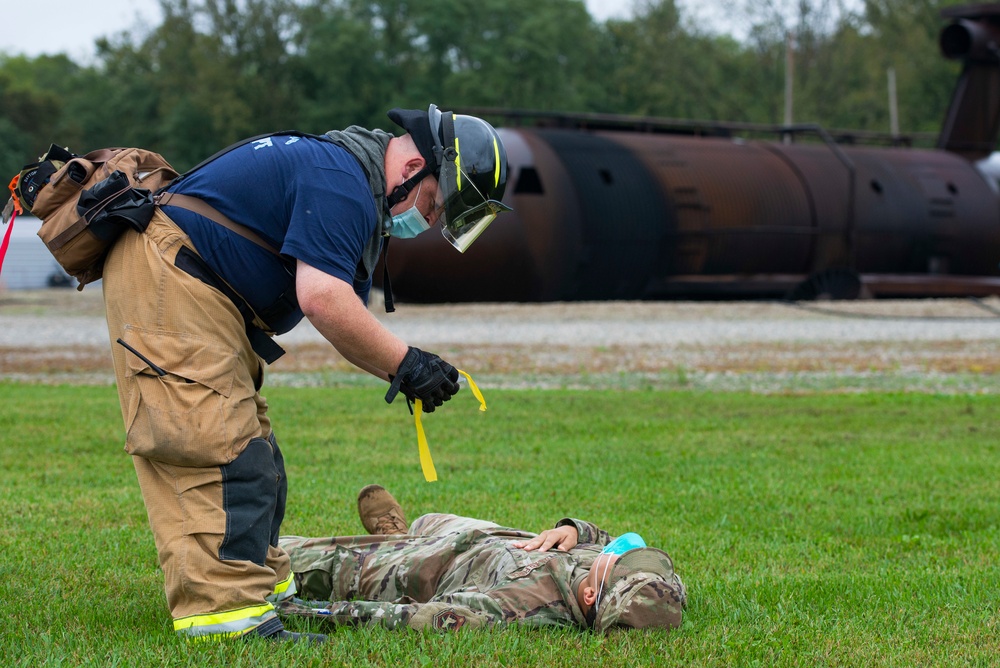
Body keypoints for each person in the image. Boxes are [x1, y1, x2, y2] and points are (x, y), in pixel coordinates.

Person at [100, 106, 511, 642]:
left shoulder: (351, 187)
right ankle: (227, 619)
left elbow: (344, 320)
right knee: (215, 448)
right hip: (173, 283)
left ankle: (265, 595)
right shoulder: (340, 180)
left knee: (259, 460)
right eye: (435, 203)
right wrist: (406, 361)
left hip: (205, 295)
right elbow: (322, 300)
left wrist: (404, 370)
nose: (429, 222)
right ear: (413, 165)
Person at [276, 486, 687, 632]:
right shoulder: (649, 587)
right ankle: (401, 533)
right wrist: (577, 530)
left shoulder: (517, 608)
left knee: (272, 555)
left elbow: (401, 618)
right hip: (486, 534)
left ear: (591, 594)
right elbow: (623, 542)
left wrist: (304, 611)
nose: (618, 556)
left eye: (615, 564)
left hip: (430, 564)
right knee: (427, 518)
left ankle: (393, 547)